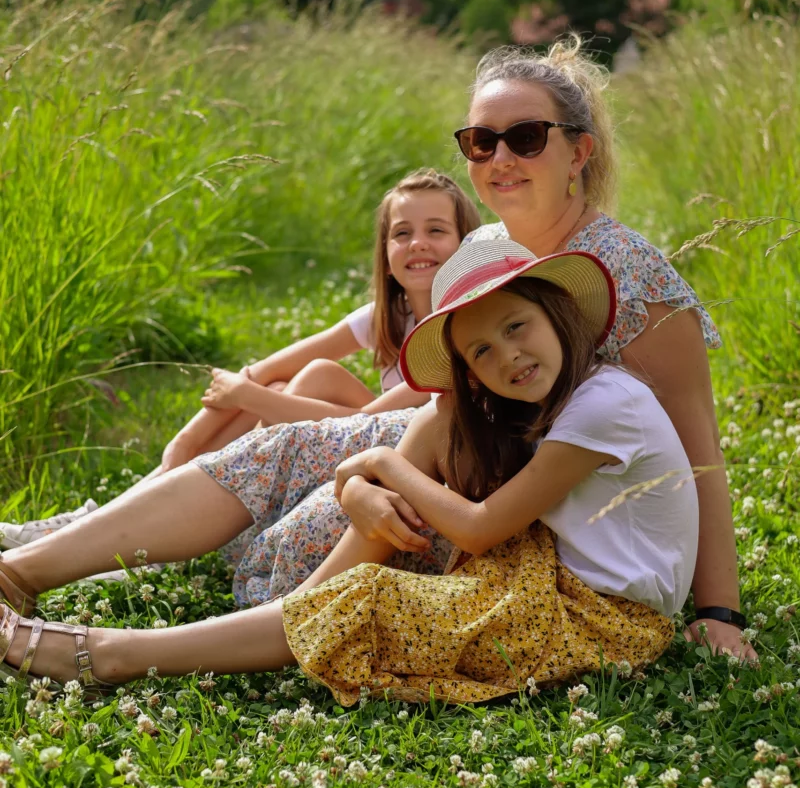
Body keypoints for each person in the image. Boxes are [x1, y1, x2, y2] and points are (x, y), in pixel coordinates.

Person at [0, 37, 750, 658]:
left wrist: (720, 611)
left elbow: (698, 453)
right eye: (480, 141)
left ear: (578, 150)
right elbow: (442, 405)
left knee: (273, 565)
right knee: (285, 453)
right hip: (451, 462)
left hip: (538, 531)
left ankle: (76, 565)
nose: (499, 158)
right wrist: (359, 471)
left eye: (525, 138)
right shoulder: (482, 247)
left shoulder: (636, 278)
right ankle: (26, 567)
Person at [0, 241, 698, 703]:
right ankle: (281, 612)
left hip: (601, 618)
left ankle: (108, 655)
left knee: (359, 602)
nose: (507, 357)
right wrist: (363, 485)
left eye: (517, 328)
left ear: (557, 312)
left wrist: (375, 464)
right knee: (423, 450)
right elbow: (441, 439)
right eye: (481, 352)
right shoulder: (553, 396)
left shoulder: (608, 404)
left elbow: (484, 530)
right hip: (542, 574)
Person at [0, 169, 479, 547]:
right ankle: (112, 514)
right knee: (297, 380)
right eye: (402, 232)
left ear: (464, 242)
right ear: (385, 249)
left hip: (403, 473)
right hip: (355, 447)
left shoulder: (456, 330)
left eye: (436, 230)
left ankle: (147, 523)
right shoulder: (387, 314)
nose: (417, 243)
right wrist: (185, 443)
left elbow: (360, 422)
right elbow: (263, 369)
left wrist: (251, 395)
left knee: (292, 386)